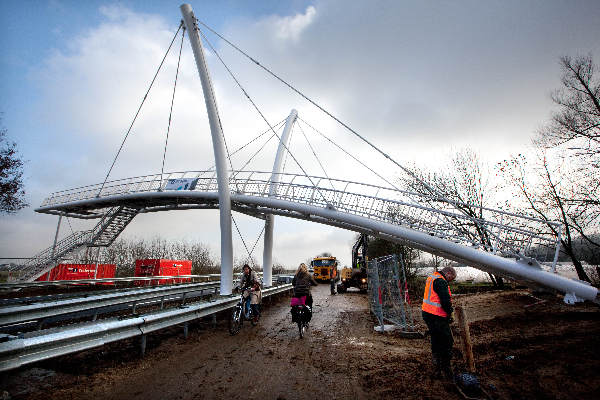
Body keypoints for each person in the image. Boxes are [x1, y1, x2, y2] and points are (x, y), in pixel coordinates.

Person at [422, 266, 457, 380]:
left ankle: (436, 361)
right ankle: (446, 367)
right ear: (448, 274)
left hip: (427, 314)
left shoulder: (432, 277)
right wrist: (450, 313)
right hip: (436, 316)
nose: (450, 281)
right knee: (447, 340)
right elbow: (445, 301)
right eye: (451, 278)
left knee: (436, 337)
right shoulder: (441, 281)